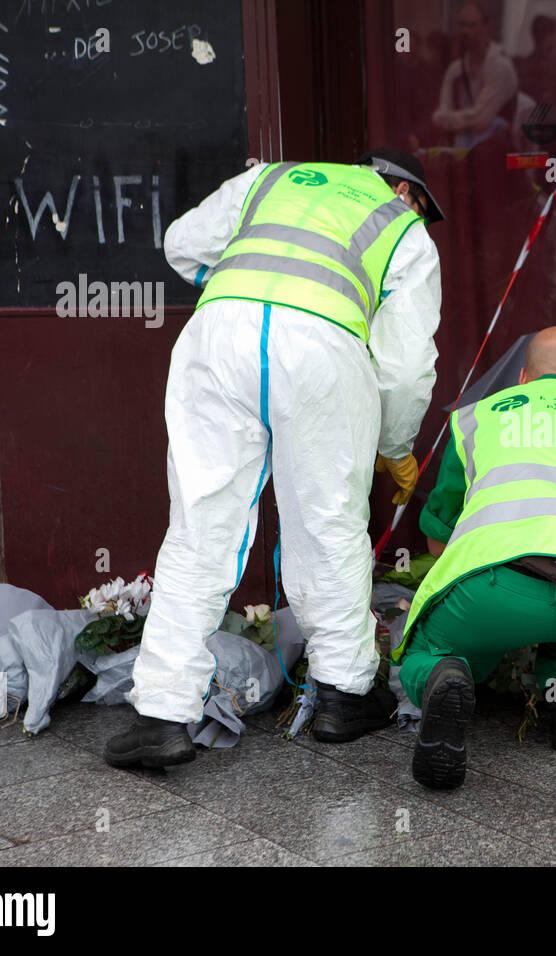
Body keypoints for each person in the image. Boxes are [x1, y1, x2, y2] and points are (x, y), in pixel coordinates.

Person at [104, 148, 445, 768]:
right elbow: (404, 367)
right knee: (328, 523)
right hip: (323, 351)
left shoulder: (269, 179)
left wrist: (248, 289)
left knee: (200, 528)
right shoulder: (405, 231)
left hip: (218, 337)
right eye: (420, 201)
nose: (417, 211)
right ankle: (344, 696)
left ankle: (160, 714)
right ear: (402, 188)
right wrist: (394, 446)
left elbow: (182, 243)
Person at [393, 326, 556, 790]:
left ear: (521, 379)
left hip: (492, 592)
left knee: (426, 649)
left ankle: (443, 674)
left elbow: (438, 540)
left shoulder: (474, 420)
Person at [432, 2, 519, 149]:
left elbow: (481, 121)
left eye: (472, 25)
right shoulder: (455, 70)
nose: (466, 31)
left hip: (495, 154)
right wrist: (454, 120)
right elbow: (440, 116)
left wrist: (448, 120)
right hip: (463, 157)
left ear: (486, 27)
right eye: (462, 25)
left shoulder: (500, 66)